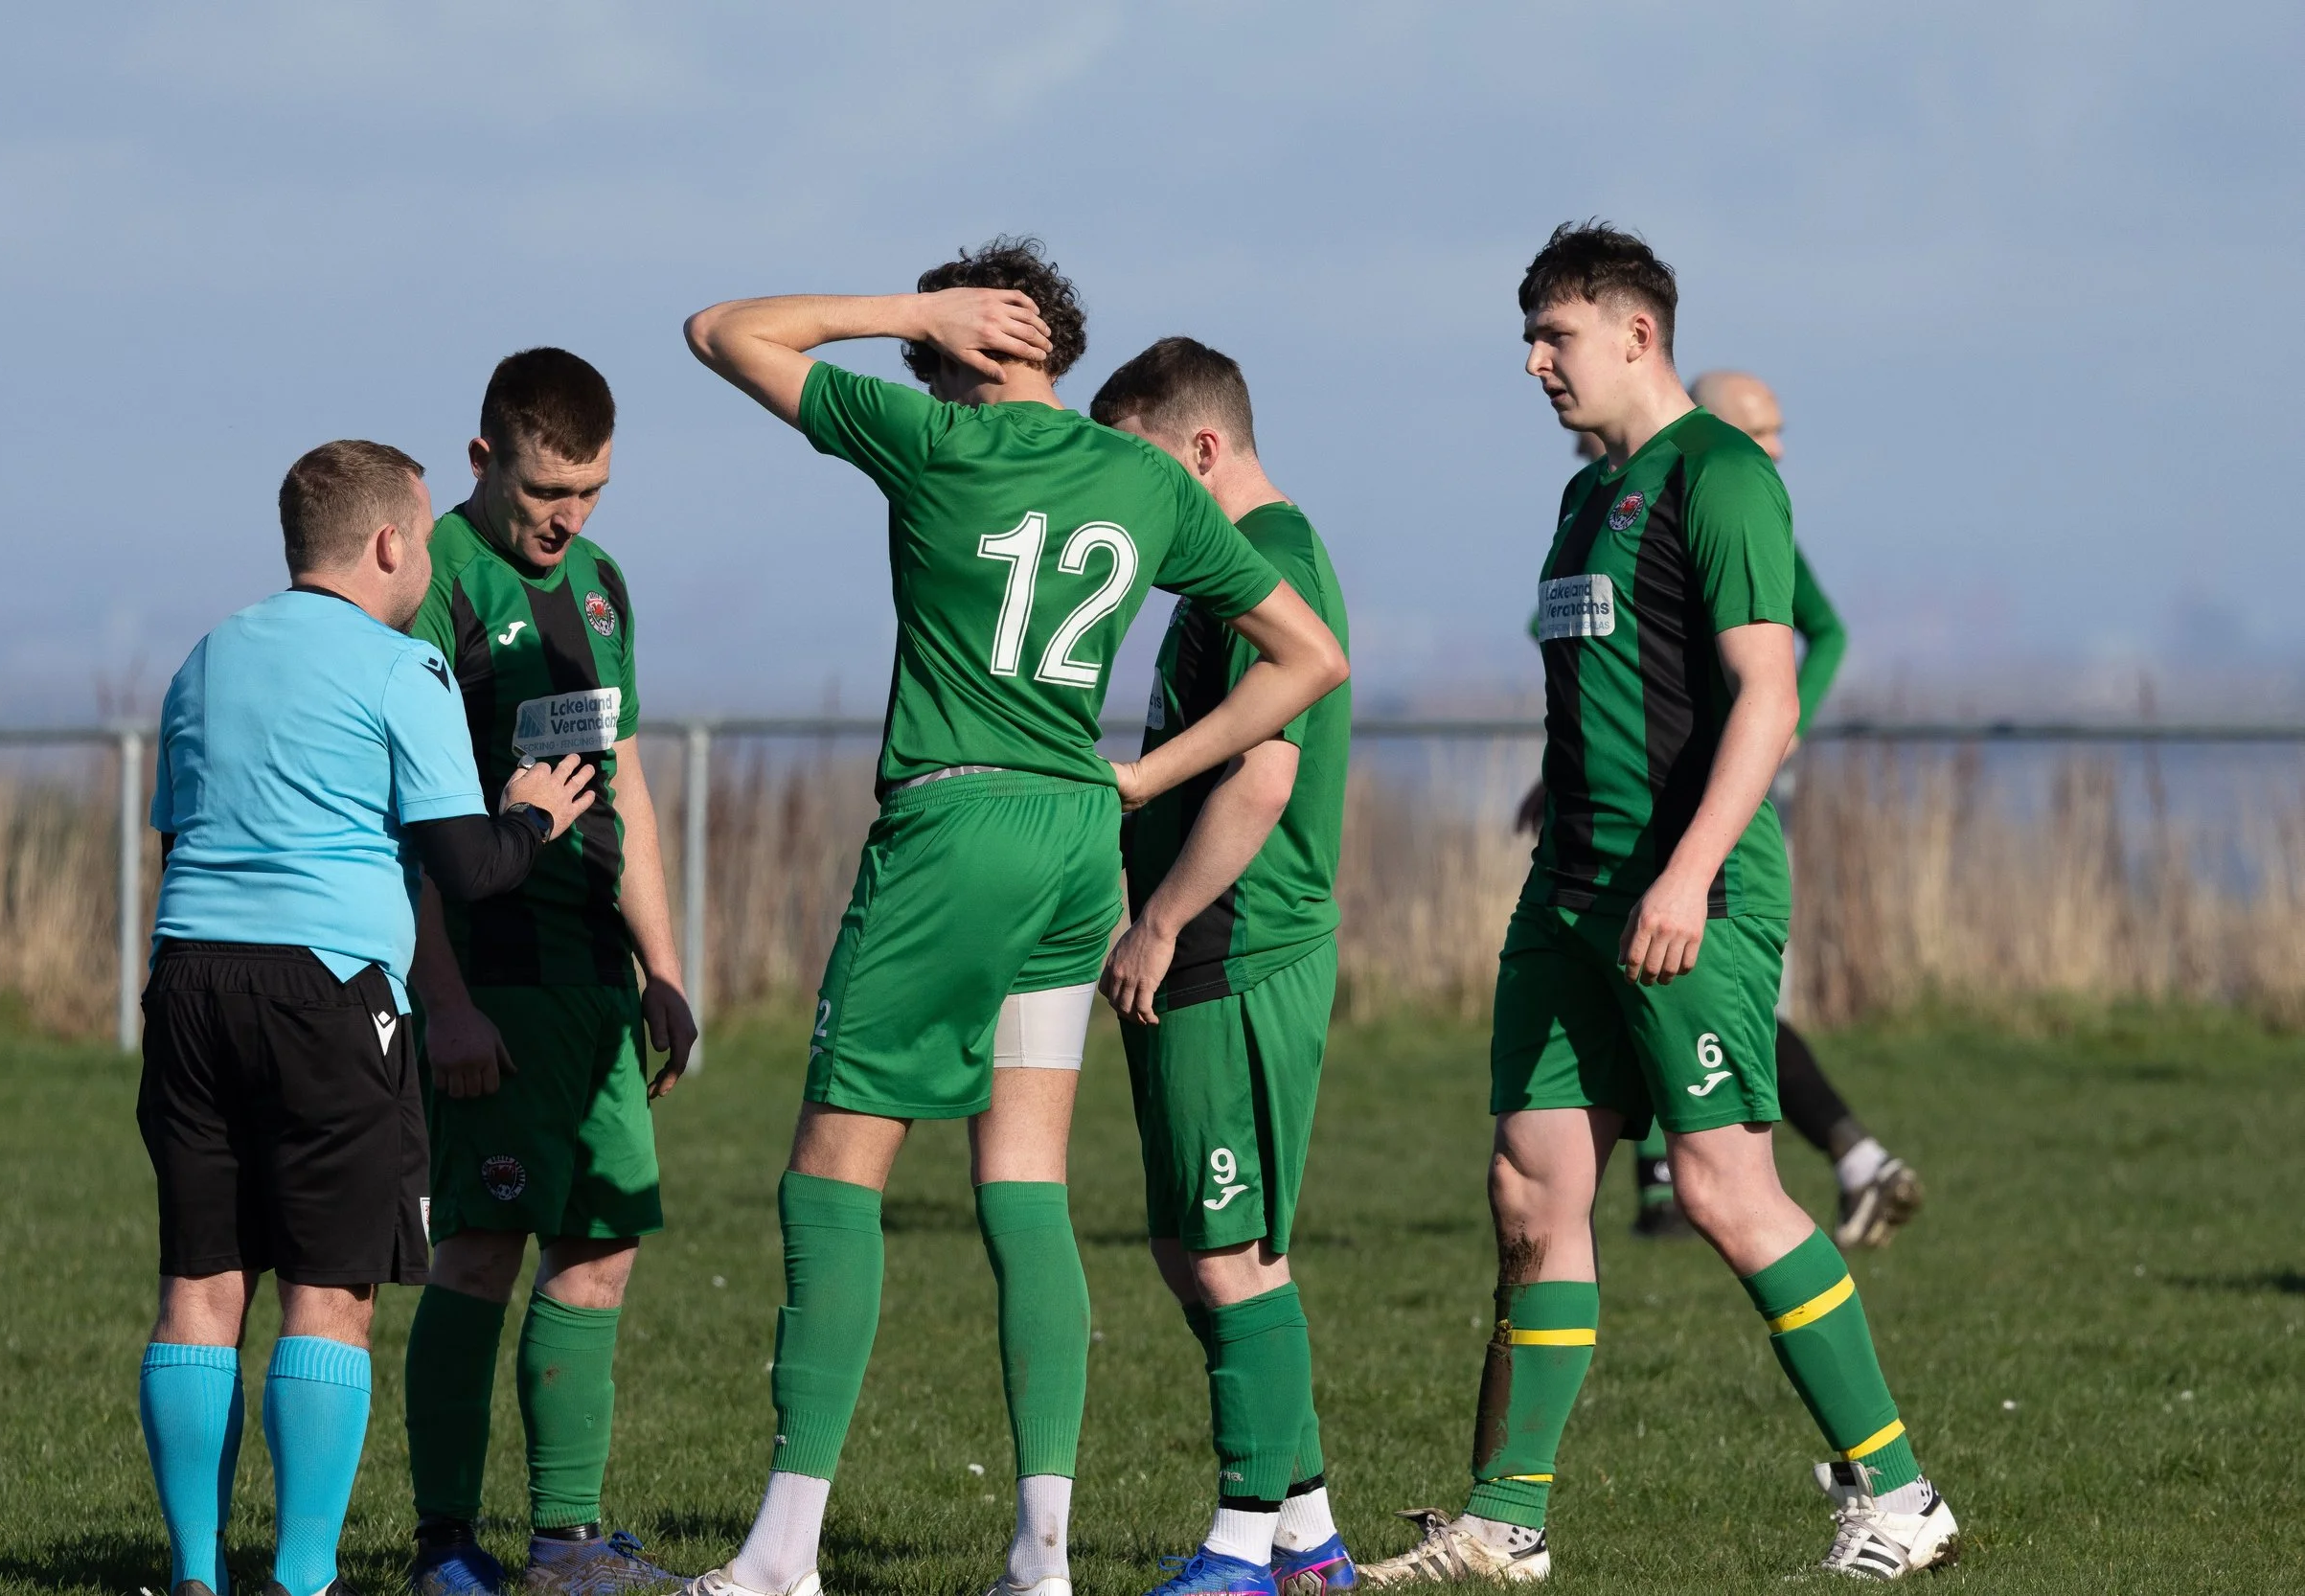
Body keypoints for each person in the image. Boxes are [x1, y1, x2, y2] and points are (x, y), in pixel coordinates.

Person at [680, 238, 1351, 1596]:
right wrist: (1144, 773)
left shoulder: (928, 437)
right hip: (1074, 843)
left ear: (953, 349)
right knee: (1025, 1185)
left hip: (958, 823)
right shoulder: (1149, 480)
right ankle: (1041, 1557)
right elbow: (1314, 656)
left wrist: (899, 312)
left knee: (833, 1171)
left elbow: (721, 330)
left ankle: (782, 1553)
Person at [1362, 224, 1956, 1586]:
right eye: (1528, 336)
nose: (1532, 364)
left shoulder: (1722, 476)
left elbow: (1765, 691)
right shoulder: (1588, 498)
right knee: (1531, 1184)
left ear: (1636, 334)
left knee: (1724, 1185)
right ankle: (1506, 1524)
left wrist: (1687, 873)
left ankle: (1905, 1493)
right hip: (1566, 897)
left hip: (1689, 894)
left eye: (1553, 336)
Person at [139, 441, 594, 1596]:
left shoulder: (205, 658)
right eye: (428, 534)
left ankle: (197, 1573)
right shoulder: (403, 671)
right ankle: (298, 1580)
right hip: (327, 994)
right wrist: (534, 815)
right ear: (390, 541)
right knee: (327, 1291)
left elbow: (174, 834)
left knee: (201, 1285)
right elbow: (467, 863)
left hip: (188, 981)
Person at [400, 349, 699, 1596]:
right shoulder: (434, 585)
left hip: (596, 983)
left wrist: (668, 971)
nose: (567, 519)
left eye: (591, 492)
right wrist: (445, 1000)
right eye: (545, 492)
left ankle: (568, 1542)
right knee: (480, 1249)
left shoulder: (607, 587)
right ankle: (447, 1545)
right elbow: (400, 814)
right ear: (484, 461)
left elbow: (621, 778)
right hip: (491, 979)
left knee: (600, 1244)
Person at [1534, 373, 1922, 1249]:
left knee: (1724, 1006)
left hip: (1720, 797)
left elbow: (1813, 643)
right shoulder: (1602, 494)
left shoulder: (1729, 489)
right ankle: (1672, 1184)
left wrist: (1783, 729)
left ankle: (1839, 1159)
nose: (1777, 447)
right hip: (1601, 830)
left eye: (1779, 431)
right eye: (1764, 427)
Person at [1090, 339, 1356, 1596]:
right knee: (1194, 1240)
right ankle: (1308, 1541)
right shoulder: (1211, 583)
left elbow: (1265, 773)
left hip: (1239, 943)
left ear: (1201, 448)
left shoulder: (1276, 565)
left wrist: (1161, 918)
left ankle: (1247, 1545)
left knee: (1229, 1251)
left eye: (1134, 465)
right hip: (1198, 939)